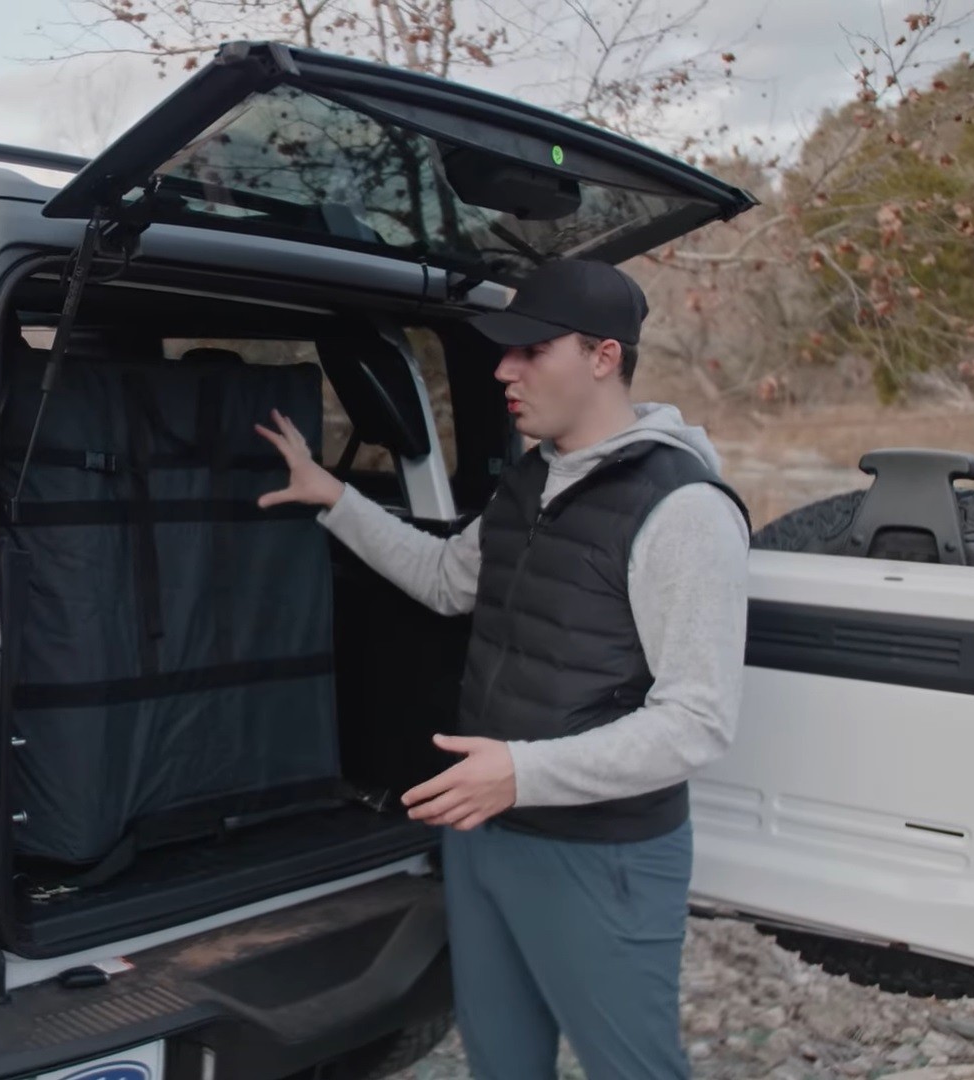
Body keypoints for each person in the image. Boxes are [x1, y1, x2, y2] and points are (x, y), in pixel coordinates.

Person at [256, 258, 751, 1079]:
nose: (502, 371)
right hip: (486, 833)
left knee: (633, 1068)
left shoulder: (684, 508)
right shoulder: (532, 480)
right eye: (503, 351)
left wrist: (520, 772)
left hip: (603, 855)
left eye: (530, 351)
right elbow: (450, 581)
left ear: (602, 357)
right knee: (501, 1061)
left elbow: (698, 722)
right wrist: (332, 497)